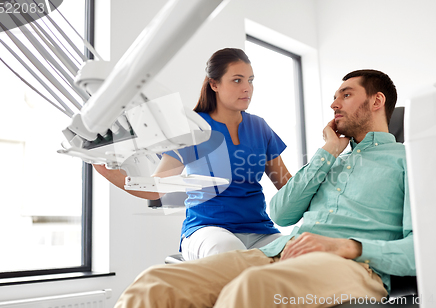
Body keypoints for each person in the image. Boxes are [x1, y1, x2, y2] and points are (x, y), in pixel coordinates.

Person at [113, 69, 416, 308]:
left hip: (354, 266)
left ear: (377, 101)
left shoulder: (410, 161)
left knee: (253, 287)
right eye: (334, 97)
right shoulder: (330, 160)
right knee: (154, 283)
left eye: (346, 95)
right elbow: (282, 213)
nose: (334, 104)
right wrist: (327, 153)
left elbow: (421, 250)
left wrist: (346, 246)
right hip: (279, 252)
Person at [94, 48, 291, 260]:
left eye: (250, 80)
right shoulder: (193, 128)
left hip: (260, 230)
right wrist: (107, 171)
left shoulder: (259, 127)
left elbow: (288, 186)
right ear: (214, 84)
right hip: (208, 230)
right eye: (237, 80)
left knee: (304, 254)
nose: (247, 88)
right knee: (232, 254)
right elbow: (157, 189)